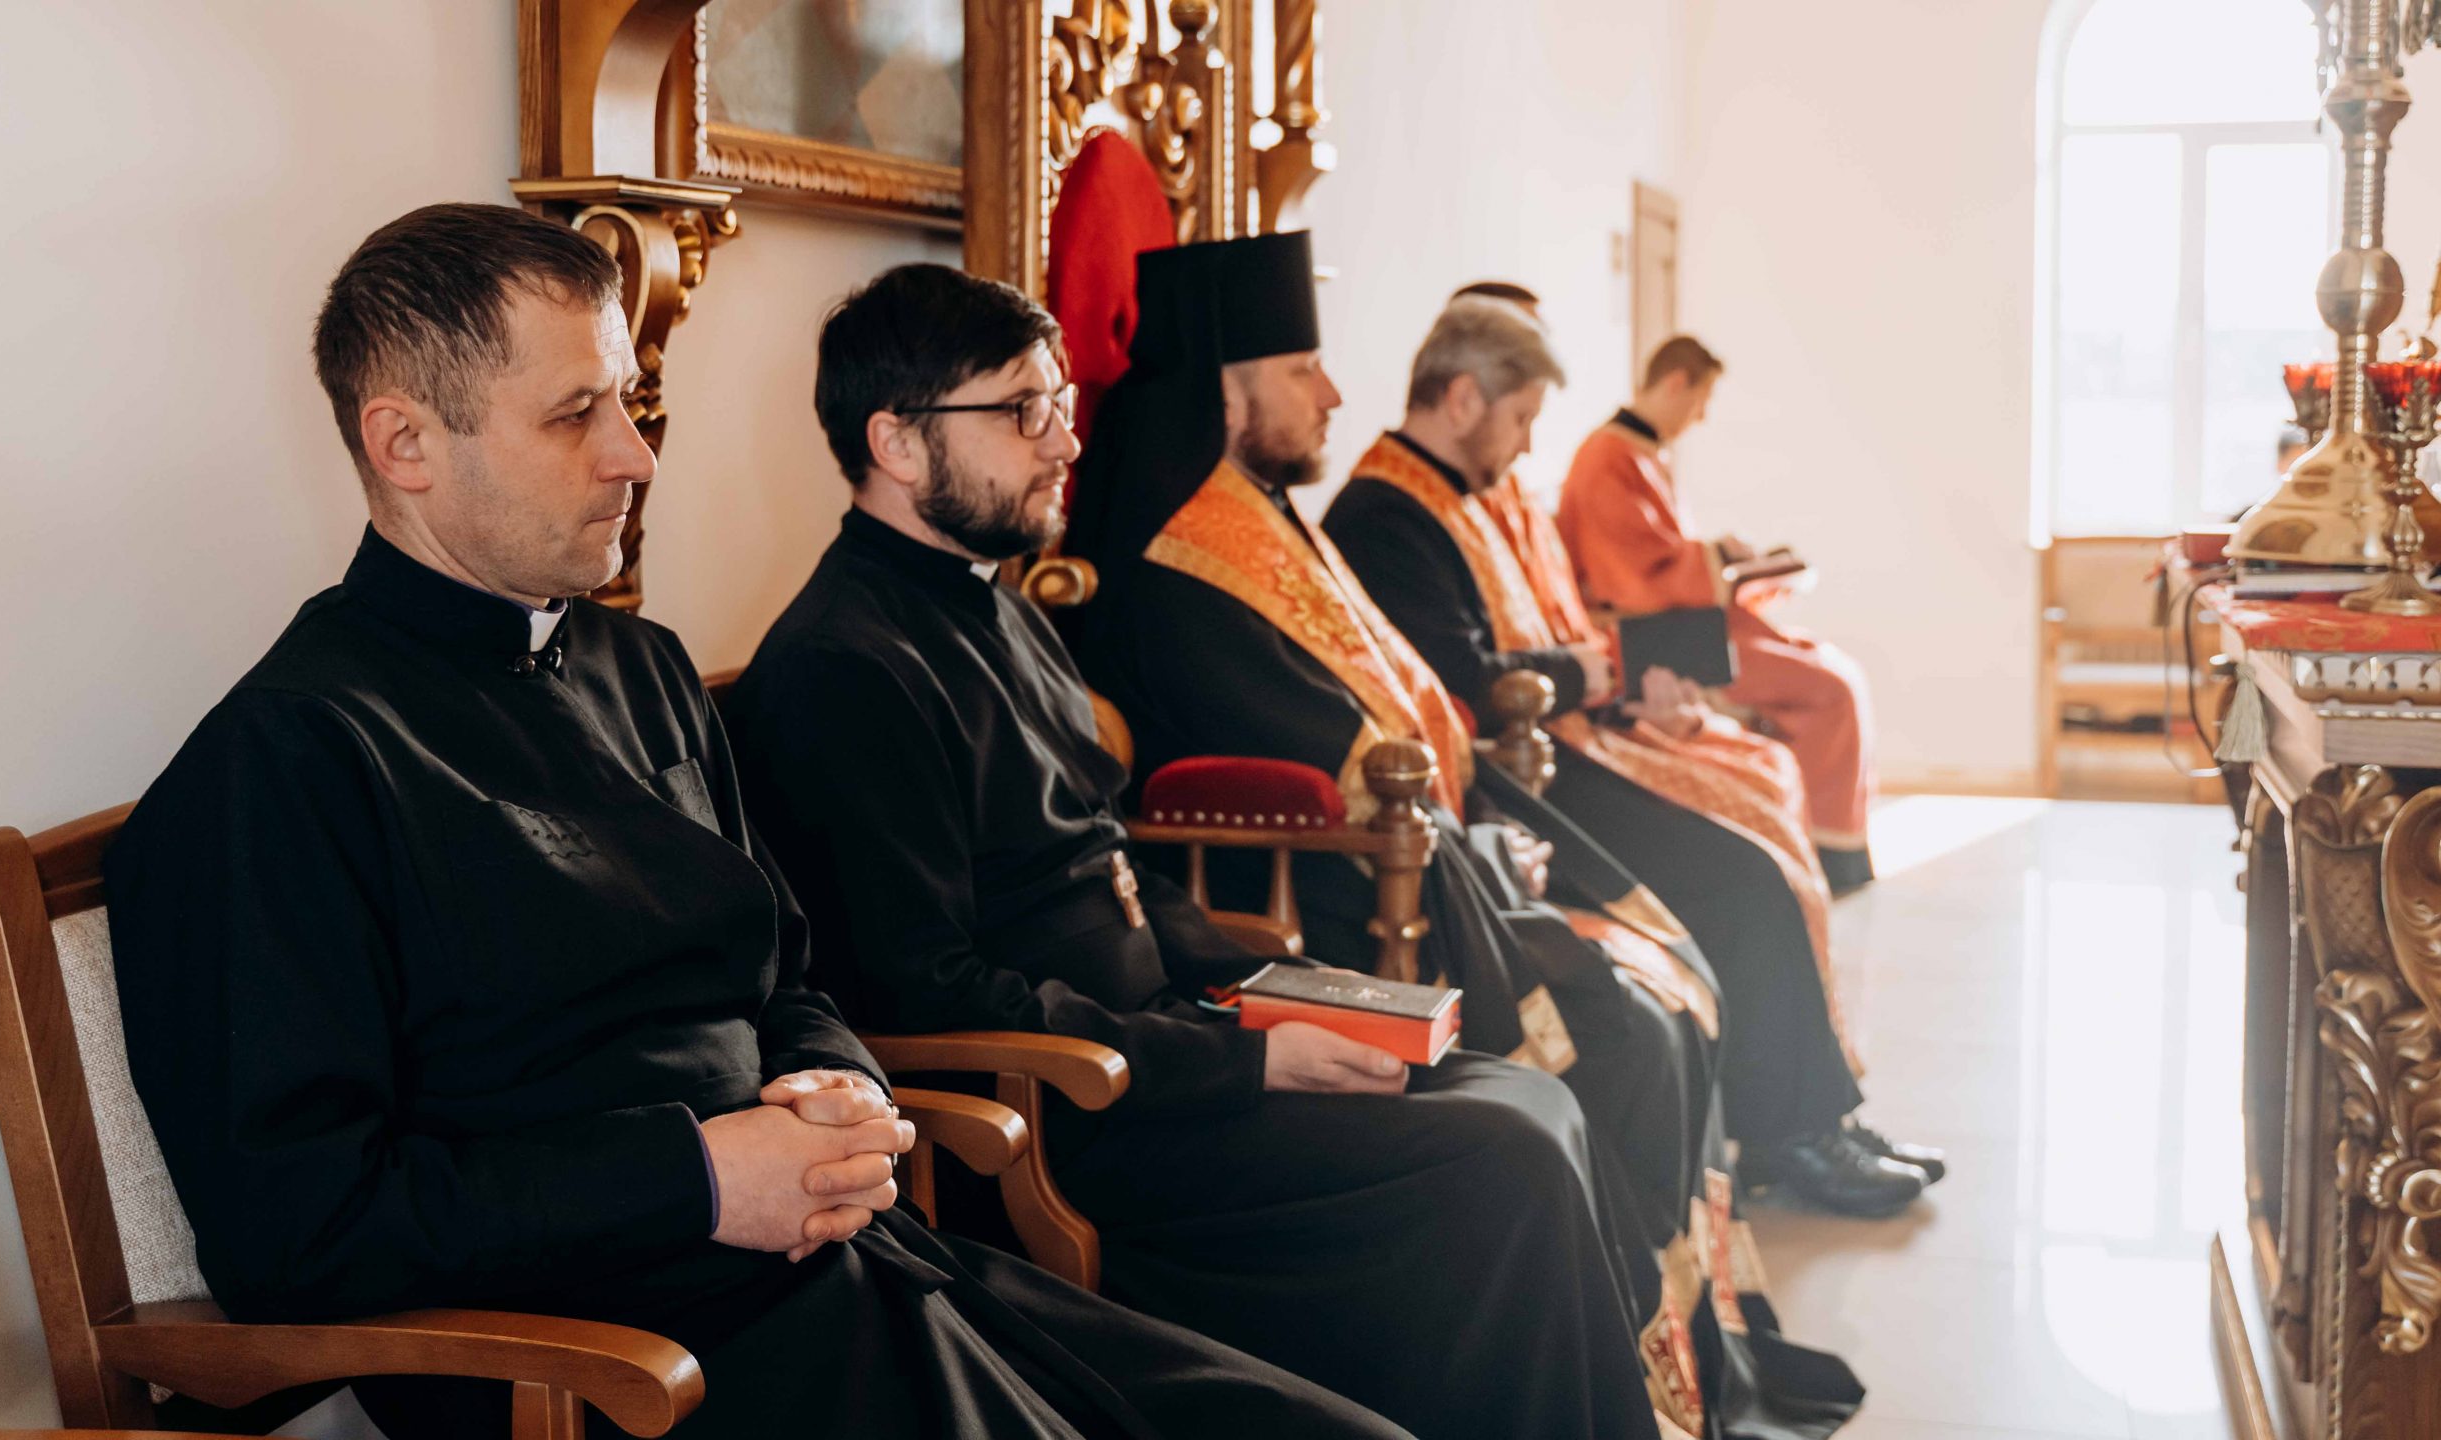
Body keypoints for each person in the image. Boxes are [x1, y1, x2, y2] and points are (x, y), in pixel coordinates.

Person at [101, 202, 1411, 1440]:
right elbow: (294, 1233)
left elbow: (785, 975)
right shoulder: (286, 760)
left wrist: (836, 1077)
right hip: (615, 1367)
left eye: (624, 400)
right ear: (404, 446)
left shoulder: (642, 667)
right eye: (574, 414)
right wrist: (698, 1177)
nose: (635, 453)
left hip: (841, 1262)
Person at [726, 261, 1676, 1440]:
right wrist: (1240, 1059)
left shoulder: (997, 603)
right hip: (1066, 1117)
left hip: (1162, 1049)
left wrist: (1278, 992)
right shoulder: (844, 669)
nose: (1064, 441)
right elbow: (923, 998)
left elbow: (1110, 871)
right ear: (898, 444)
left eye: (1059, 403)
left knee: (1528, 1098)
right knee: (1503, 1152)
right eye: (1021, 410)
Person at [1067, 231, 1864, 1439]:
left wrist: (1482, 842)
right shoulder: (1183, 553)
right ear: (1227, 390)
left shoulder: (1264, 520)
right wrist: (1473, 851)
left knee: (1670, 986)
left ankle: (1691, 1363)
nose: (1335, 391)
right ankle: (1639, 1377)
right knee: (1629, 1033)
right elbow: (1337, 754)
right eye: (1303, 367)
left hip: (1433, 857)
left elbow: (1408, 710)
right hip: (1328, 903)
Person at [1323, 296, 1943, 1216]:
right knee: (1744, 879)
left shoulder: (1445, 494)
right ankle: (1794, 1138)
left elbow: (1524, 641)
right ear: (1462, 399)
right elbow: (1467, 682)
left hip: (1551, 752)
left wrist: (1599, 678)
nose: (1528, 445)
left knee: (1756, 856)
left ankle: (1818, 1119)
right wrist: (1591, 671)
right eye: (1521, 417)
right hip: (1507, 789)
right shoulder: (1386, 514)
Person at [1556, 338, 1880, 890]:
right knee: (1832, 689)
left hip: (1687, 620)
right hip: (1651, 637)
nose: (1701, 417)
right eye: (1702, 400)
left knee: (1830, 665)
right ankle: (1826, 855)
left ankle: (1818, 844)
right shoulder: (1607, 457)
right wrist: (1718, 557)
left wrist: (1735, 562)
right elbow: (1634, 576)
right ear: (1676, 383)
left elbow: (1661, 556)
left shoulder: (1639, 451)